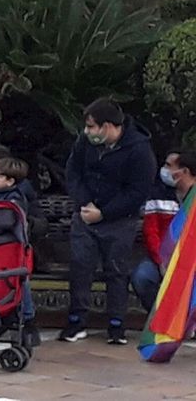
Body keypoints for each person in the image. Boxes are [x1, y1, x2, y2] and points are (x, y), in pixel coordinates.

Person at [60, 98, 156, 344]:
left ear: (109, 126)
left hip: (119, 220)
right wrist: (85, 203)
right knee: (81, 267)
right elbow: (73, 172)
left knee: (116, 271)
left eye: (92, 127)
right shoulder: (85, 142)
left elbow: (137, 192)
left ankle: (116, 325)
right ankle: (76, 322)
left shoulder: (139, 150)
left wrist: (105, 212)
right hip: (85, 215)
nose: (88, 131)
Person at [0, 156, 40, 347]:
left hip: (10, 247)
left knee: (19, 282)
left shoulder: (14, 200)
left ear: (10, 181)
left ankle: (28, 316)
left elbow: (5, 222)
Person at [131, 151, 194, 316]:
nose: (164, 170)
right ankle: (163, 319)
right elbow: (151, 232)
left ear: (185, 171)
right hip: (162, 258)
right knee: (142, 277)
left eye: (169, 166)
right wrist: (162, 262)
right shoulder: (157, 194)